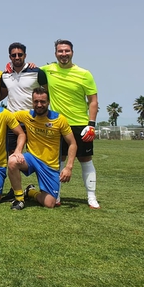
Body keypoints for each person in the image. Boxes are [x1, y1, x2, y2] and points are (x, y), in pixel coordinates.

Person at [40, 40, 100, 209]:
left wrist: (91, 125)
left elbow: (93, 101)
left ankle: (91, 197)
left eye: (67, 51)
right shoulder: (48, 70)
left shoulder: (84, 74)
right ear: (55, 54)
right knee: (58, 160)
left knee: (85, 159)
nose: (63, 54)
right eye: (60, 51)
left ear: (72, 52)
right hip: (57, 124)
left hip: (80, 124)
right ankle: (56, 195)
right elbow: (29, 70)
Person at [8, 87, 78, 209]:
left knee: (49, 204)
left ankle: (30, 192)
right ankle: (19, 198)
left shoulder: (59, 120)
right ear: (32, 101)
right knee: (12, 160)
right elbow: (4, 116)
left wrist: (68, 167)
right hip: (31, 158)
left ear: (48, 102)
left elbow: (72, 144)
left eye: (42, 102)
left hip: (49, 165)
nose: (39, 105)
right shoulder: (26, 115)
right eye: (36, 101)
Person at [0, 42, 47, 154]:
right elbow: (3, 94)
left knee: (38, 154)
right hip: (13, 119)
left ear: (25, 55)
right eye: (14, 55)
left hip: (34, 119)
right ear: (10, 57)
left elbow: (47, 92)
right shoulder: (5, 75)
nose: (17, 57)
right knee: (12, 155)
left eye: (20, 54)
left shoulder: (37, 72)